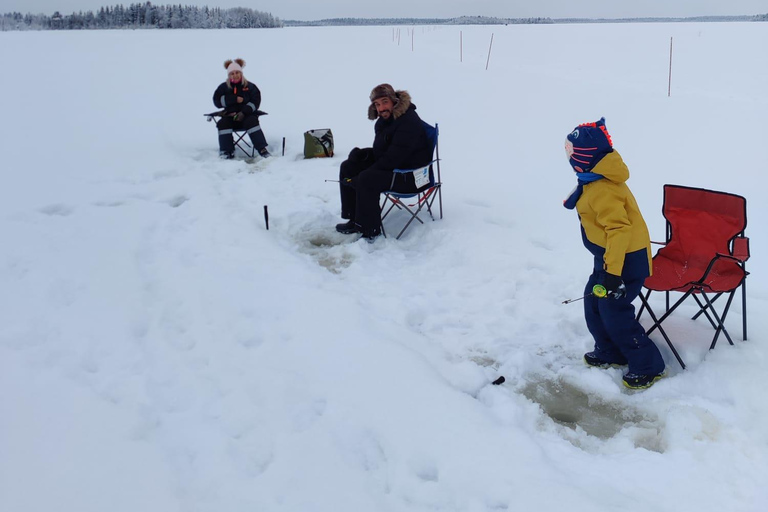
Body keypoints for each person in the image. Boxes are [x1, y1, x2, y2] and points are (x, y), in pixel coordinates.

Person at [562, 117, 666, 390]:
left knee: (614, 310)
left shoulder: (604, 189)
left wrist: (611, 274)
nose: (568, 157)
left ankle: (648, 364)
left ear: (584, 157)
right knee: (594, 301)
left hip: (626, 260)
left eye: (570, 152)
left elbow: (619, 231)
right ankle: (610, 350)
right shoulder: (593, 179)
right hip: (608, 257)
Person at [336, 84, 434, 241]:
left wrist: (361, 176)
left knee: (367, 178)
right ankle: (354, 219)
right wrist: (363, 155)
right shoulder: (385, 121)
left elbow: (394, 157)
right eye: (377, 104)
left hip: (412, 177)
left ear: (394, 101)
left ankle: (370, 230)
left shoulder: (408, 122)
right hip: (396, 168)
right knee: (348, 166)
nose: (381, 108)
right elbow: (384, 153)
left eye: (384, 102)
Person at [212, 59, 270, 159]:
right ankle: (226, 151)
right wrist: (233, 99)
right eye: (232, 73)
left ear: (241, 73)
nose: (235, 75)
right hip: (230, 118)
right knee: (222, 123)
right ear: (229, 75)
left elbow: (256, 102)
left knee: (252, 120)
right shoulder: (223, 87)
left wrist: (243, 112)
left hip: (246, 117)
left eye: (237, 72)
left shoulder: (251, 87)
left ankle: (262, 149)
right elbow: (216, 101)